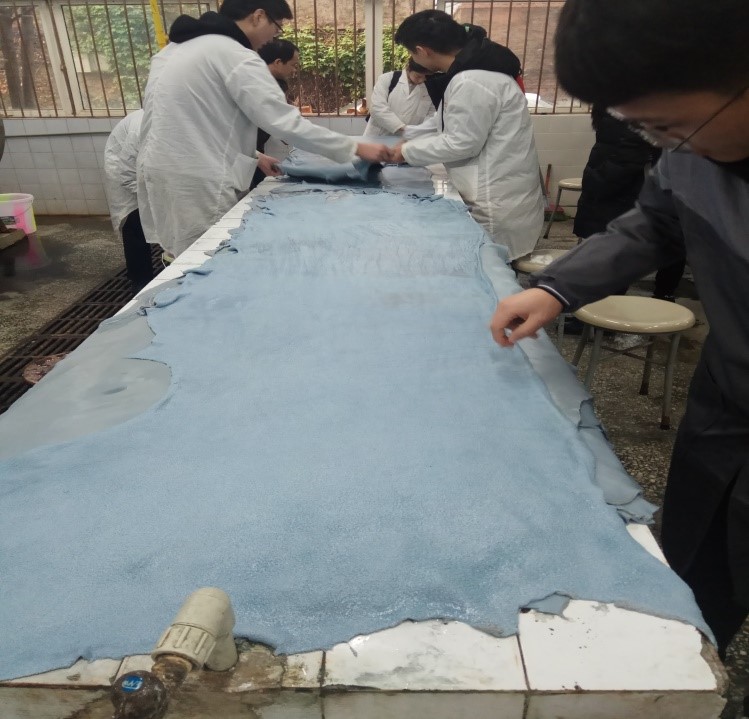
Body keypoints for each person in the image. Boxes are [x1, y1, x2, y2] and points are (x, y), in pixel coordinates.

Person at [489, 0, 749, 679]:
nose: (664, 144)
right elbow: (655, 222)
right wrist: (555, 288)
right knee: (694, 556)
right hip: (727, 395)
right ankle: (690, 668)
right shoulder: (694, 150)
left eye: (668, 124)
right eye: (645, 128)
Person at [137, 0, 390, 259]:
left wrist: (255, 156)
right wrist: (356, 148)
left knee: (179, 252)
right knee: (206, 260)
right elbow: (284, 122)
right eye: (276, 28)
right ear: (258, 16)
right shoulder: (234, 55)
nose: (273, 38)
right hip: (198, 180)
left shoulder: (174, 50)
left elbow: (194, 121)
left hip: (160, 170)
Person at [389, 10, 543, 260]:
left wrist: (405, 152)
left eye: (412, 53)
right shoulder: (475, 72)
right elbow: (446, 120)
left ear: (422, 50)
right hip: (500, 194)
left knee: (491, 271)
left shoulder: (471, 81)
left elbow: (462, 143)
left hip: (497, 204)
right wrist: (408, 134)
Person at [575, 104, 685, 303]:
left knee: (613, 249)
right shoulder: (626, 105)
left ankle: (607, 307)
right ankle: (663, 293)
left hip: (619, 186)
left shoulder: (628, 105)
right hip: (619, 180)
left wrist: (600, 181)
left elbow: (626, 153)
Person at [103, 109, 154, 294]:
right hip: (124, 174)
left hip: (142, 173)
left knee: (154, 219)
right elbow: (126, 175)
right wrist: (152, 197)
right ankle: (140, 281)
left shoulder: (168, 122)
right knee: (135, 223)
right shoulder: (140, 127)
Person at [251, 38, 300, 189]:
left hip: (255, 150)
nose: (294, 70)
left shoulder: (274, 83)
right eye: (293, 65)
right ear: (278, 62)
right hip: (244, 150)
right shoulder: (256, 84)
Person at [362, 59, 435, 138]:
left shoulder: (428, 88)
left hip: (408, 139)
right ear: (408, 68)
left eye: (425, 77)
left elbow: (430, 114)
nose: (421, 80)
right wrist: (402, 127)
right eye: (418, 76)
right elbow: (377, 107)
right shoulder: (388, 78)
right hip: (378, 137)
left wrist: (419, 131)